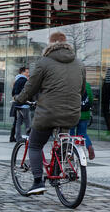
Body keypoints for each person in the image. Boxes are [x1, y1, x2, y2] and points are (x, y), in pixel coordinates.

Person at [14, 32, 86, 195]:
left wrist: (19, 99)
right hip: (72, 113)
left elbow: (31, 87)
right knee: (61, 144)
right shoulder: (79, 63)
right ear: (66, 44)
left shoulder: (43, 62)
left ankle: (38, 181)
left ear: (50, 44)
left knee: (34, 144)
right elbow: (81, 90)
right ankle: (56, 175)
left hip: (48, 112)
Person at [70, 82, 95, 160]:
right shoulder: (86, 84)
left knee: (71, 134)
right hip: (84, 114)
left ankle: (70, 153)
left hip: (73, 113)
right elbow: (90, 98)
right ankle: (89, 147)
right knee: (83, 134)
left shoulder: (71, 83)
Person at [13, 67, 31, 142]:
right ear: (22, 73)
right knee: (28, 122)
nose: (28, 74)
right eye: (26, 72)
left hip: (17, 104)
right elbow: (27, 92)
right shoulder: (24, 80)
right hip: (24, 104)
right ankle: (29, 138)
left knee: (18, 122)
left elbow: (13, 92)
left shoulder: (16, 80)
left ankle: (18, 138)